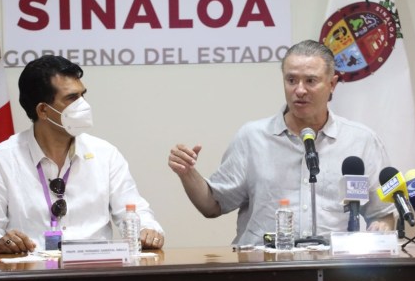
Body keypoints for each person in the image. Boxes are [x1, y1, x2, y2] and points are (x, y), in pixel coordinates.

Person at [168, 40, 395, 245]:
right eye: (291, 80)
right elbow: (213, 205)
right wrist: (188, 173)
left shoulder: (361, 141)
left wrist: (382, 227)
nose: (300, 90)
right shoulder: (252, 138)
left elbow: (383, 213)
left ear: (332, 84)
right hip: (263, 268)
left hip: (336, 268)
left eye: (310, 81)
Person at [0, 55, 164, 253]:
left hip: (96, 267)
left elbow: (134, 211)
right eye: (72, 98)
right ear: (43, 110)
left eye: (82, 95)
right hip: (30, 268)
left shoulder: (105, 155)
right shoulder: (0, 160)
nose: (84, 105)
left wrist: (148, 230)